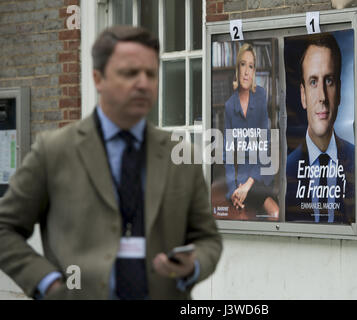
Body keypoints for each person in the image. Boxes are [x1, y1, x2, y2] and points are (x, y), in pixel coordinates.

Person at [0, 25, 222, 299]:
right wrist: (48, 283)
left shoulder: (182, 155)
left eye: (151, 73)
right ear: (98, 78)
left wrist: (194, 264)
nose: (143, 83)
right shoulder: (54, 151)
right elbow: (4, 227)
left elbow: (208, 239)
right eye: (129, 73)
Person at [285, 34, 355, 224]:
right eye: (313, 82)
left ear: (339, 91)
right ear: (303, 96)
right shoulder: (286, 171)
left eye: (329, 81)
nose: (322, 96)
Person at [223, 43, 279, 219]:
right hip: (241, 181)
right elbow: (228, 154)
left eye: (251, 66)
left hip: (260, 175)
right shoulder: (230, 106)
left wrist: (248, 184)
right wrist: (234, 189)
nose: (246, 71)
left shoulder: (261, 97)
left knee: (275, 213)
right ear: (237, 68)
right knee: (243, 217)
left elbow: (265, 147)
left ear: (254, 72)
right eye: (242, 64)